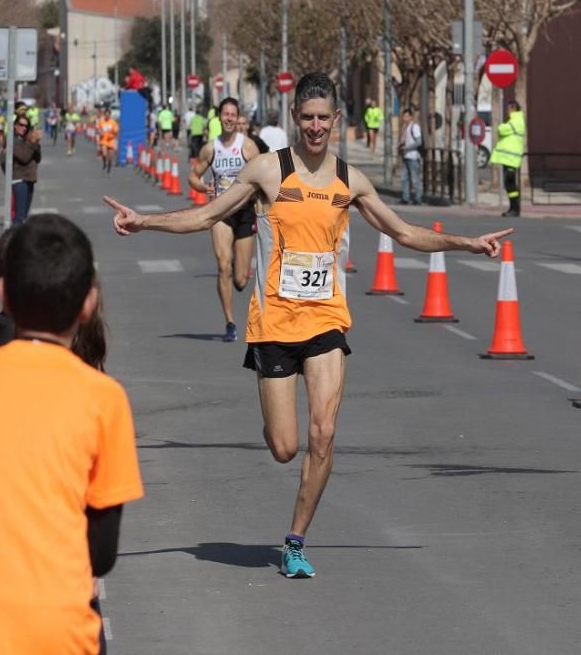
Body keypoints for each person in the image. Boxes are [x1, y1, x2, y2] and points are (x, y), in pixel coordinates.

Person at [104, 72, 511, 578]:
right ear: (294, 118)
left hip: (325, 321)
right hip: (274, 323)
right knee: (284, 447)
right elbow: (207, 216)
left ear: (336, 121)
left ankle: (295, 540)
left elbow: (403, 231)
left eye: (324, 118)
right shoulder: (266, 172)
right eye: (308, 117)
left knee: (324, 432)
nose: (316, 126)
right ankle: (277, 428)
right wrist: (145, 220)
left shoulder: (349, 180)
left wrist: (467, 244)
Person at [0, 214, 143, 653]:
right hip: (58, 627)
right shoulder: (105, 398)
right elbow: (101, 553)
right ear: (88, 303)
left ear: (3, 292)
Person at [188, 97, 261, 343]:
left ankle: (240, 275)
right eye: (225, 114)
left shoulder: (248, 146)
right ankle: (230, 322)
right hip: (221, 211)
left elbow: (263, 176)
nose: (229, 118)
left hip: (244, 212)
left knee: (240, 279)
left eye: (233, 114)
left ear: (237, 117)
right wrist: (202, 187)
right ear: (219, 117)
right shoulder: (211, 148)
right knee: (222, 265)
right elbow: (194, 176)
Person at [0, 114, 42, 225]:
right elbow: (24, 157)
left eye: (26, 126)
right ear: (15, 125)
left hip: (29, 180)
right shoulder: (12, 140)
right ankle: (13, 240)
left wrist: (36, 142)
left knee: (23, 216)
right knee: (19, 217)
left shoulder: (26, 140)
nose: (23, 128)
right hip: (19, 181)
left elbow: (38, 159)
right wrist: (32, 143)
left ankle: (17, 239)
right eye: (21, 125)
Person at [490, 101, 525, 217]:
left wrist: (501, 126)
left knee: (510, 183)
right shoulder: (514, 119)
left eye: (508, 109)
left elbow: (501, 129)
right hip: (508, 158)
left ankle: (515, 209)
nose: (507, 111)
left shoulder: (517, 120)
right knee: (509, 183)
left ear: (513, 108)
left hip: (511, 158)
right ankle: (513, 208)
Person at [398, 107, 423, 205]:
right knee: (404, 178)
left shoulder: (415, 127)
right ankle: (405, 197)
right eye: (404, 116)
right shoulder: (407, 127)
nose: (405, 118)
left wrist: (407, 147)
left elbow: (418, 141)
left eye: (406, 116)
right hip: (406, 156)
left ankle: (418, 198)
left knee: (415, 178)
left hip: (413, 157)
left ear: (411, 117)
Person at [96, 107, 118, 175]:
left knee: (110, 157)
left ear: (110, 115)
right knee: (104, 154)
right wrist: (100, 132)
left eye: (108, 115)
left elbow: (116, 131)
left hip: (111, 141)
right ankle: (104, 162)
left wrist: (113, 133)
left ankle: (109, 166)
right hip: (104, 141)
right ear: (104, 115)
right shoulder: (101, 121)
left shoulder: (113, 122)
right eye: (105, 115)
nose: (106, 116)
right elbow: (98, 129)